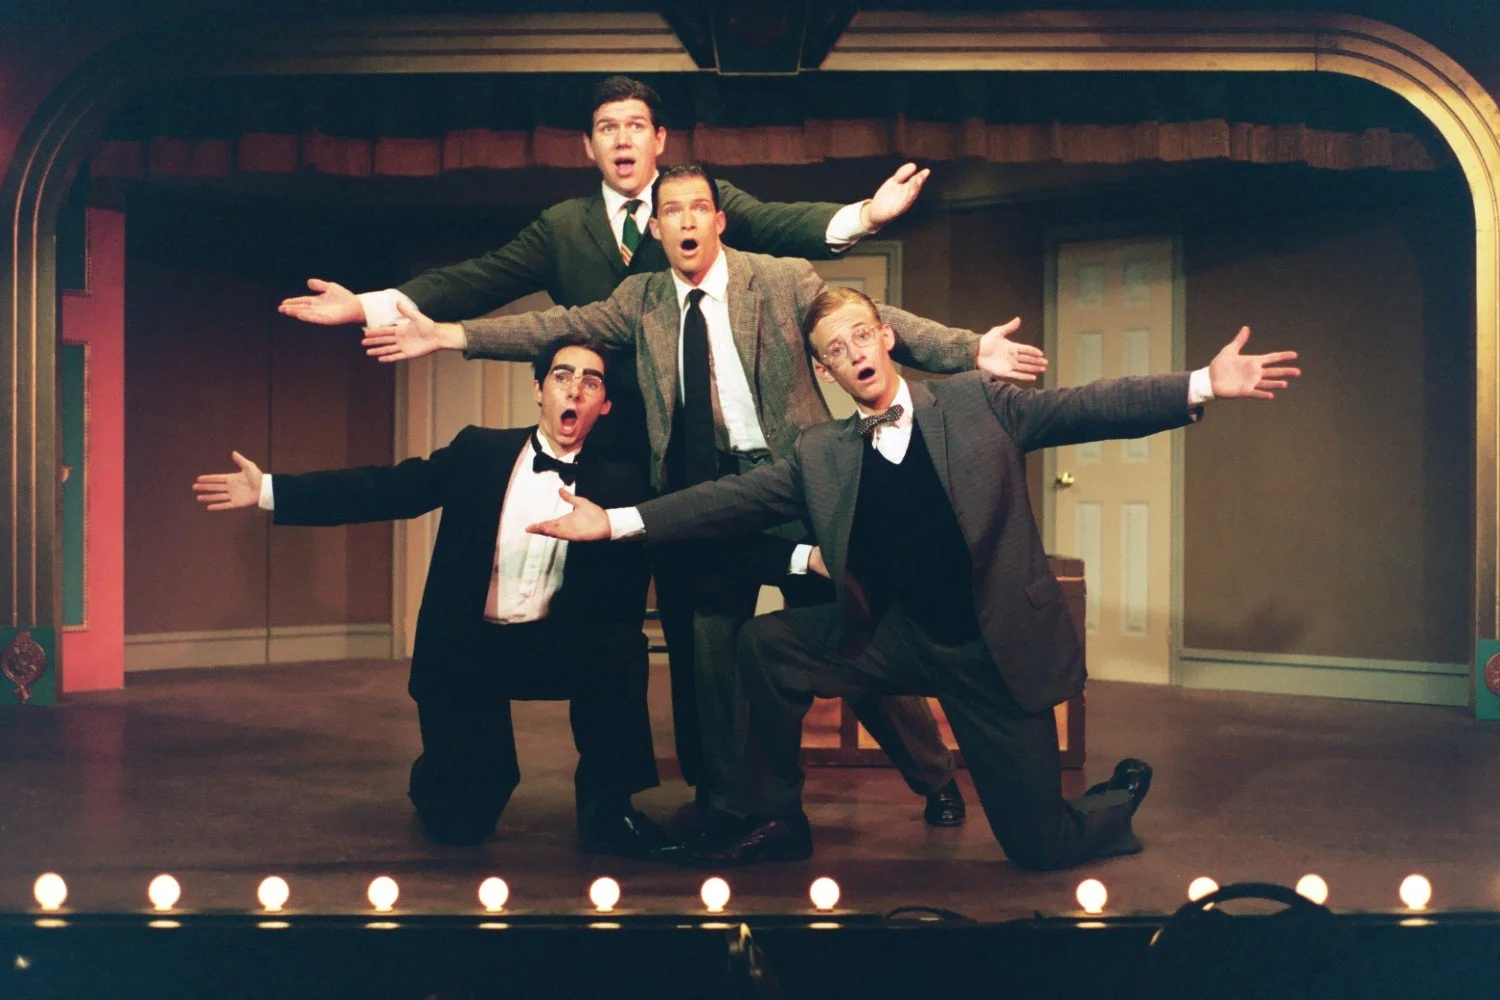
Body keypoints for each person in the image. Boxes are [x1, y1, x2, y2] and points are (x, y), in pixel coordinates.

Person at [277, 76, 941, 797]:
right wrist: (375, 308)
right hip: (636, 467)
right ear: (588, 146)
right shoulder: (563, 227)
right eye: (606, 127)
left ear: (660, 141)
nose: (622, 139)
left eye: (636, 126)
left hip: (758, 460)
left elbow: (786, 226)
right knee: (691, 642)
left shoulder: (696, 201)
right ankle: (711, 793)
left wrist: (865, 216)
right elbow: (484, 281)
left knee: (840, 613)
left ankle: (931, 773)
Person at [358, 163, 1049, 833]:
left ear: (717, 221)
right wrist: (449, 335)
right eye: (671, 212)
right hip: (708, 498)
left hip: (799, 481)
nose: (686, 221)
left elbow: (869, 316)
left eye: (698, 209)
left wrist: (967, 350)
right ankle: (728, 803)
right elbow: (554, 325)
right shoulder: (642, 300)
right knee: (710, 648)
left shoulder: (778, 278)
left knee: (851, 631)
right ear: (655, 229)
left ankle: (933, 777)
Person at [525, 286, 1302, 869]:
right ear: (826, 369)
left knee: (1040, 847)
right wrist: (617, 521)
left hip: (989, 652)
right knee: (769, 644)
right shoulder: (822, 452)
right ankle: (777, 818)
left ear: (886, 338)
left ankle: (1114, 801)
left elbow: (1089, 407)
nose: (853, 351)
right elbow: (729, 501)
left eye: (861, 333)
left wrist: (1202, 383)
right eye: (835, 348)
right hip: (894, 639)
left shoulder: (974, 407)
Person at [191, 335, 683, 860]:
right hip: (471, 648)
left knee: (620, 651)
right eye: (562, 377)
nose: (575, 391)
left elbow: (672, 536)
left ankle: (610, 812)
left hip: (555, 644)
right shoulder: (480, 452)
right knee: (463, 818)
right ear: (539, 390)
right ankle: (441, 772)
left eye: (591, 382)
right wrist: (270, 489)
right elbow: (389, 489)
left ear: (604, 405)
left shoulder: (623, 481)